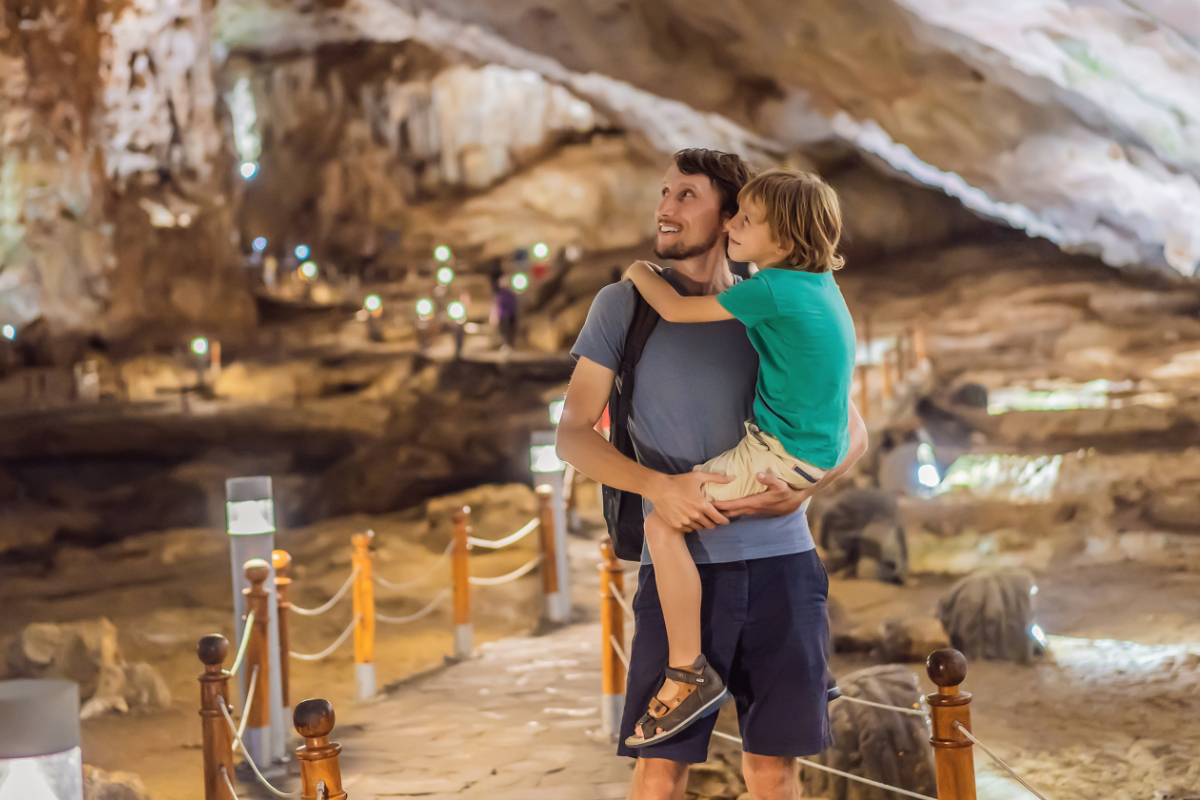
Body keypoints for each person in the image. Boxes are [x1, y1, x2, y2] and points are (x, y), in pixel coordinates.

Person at [556, 149, 867, 800]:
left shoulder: (766, 302)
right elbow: (572, 435)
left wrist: (805, 489)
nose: (665, 208)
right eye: (663, 193)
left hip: (784, 566)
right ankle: (687, 670)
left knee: (775, 771)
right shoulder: (624, 306)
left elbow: (851, 428)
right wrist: (657, 487)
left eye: (686, 195)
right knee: (660, 770)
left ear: (731, 215)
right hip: (685, 572)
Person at [621, 169, 857, 747]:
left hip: (779, 452)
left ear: (787, 239)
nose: (732, 226)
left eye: (747, 220)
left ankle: (688, 672)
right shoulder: (816, 282)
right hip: (813, 449)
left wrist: (637, 273)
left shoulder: (772, 289)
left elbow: (677, 310)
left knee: (662, 524)